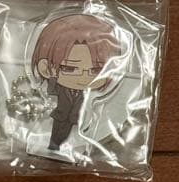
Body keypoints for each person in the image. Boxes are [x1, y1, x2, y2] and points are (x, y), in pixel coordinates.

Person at [31, 12, 123, 154]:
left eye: (95, 70)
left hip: (77, 119)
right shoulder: (58, 86)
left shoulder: (89, 94)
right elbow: (51, 90)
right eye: (69, 68)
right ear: (46, 67)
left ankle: (59, 145)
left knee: (67, 134)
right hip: (60, 115)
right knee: (58, 132)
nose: (83, 77)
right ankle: (54, 145)